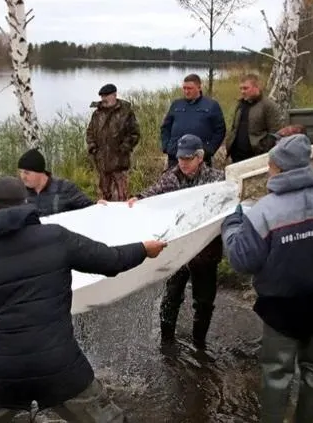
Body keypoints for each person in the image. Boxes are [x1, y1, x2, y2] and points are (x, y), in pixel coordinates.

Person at [0, 176, 168, 423]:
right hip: (61, 369)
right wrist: (144, 249)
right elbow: (111, 261)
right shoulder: (56, 238)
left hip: (0, 376)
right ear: (25, 202)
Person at [220, 133, 313, 423]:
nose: (268, 170)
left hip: (281, 307)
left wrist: (231, 224)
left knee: (277, 372)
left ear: (279, 169)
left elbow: (242, 260)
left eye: (271, 166)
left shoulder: (264, 211)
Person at [128, 134, 224, 349]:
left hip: (205, 249)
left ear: (200, 158)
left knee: (204, 300)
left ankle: (199, 342)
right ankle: (167, 340)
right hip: (177, 248)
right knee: (172, 295)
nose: (182, 163)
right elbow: (153, 193)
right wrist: (138, 199)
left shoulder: (217, 180)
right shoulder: (171, 177)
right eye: (180, 158)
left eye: (187, 159)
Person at [86, 83, 141, 202]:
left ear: (114, 95)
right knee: (103, 200)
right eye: (102, 96)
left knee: (121, 199)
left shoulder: (126, 112)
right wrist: (92, 147)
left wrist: (125, 147)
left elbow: (135, 133)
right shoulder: (97, 114)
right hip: (101, 164)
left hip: (119, 164)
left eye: (106, 95)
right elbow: (90, 132)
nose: (104, 99)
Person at [160, 73, 226, 168]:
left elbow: (220, 131)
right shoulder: (176, 105)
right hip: (175, 157)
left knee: (201, 183)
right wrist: (166, 146)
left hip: (199, 159)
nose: (186, 91)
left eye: (189, 88)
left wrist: (209, 150)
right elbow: (165, 127)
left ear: (199, 88)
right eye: (184, 88)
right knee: (172, 182)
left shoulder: (211, 105)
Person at [224, 73, 284, 164]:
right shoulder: (240, 105)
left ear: (257, 87)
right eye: (241, 88)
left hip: (256, 156)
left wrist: (263, 149)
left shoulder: (268, 106)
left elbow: (276, 132)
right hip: (236, 156)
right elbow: (234, 128)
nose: (242, 91)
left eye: (246, 88)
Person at [18, 148, 95, 215]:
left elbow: (89, 209)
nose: (23, 177)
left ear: (40, 172)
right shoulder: (19, 192)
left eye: (27, 173)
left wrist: (99, 207)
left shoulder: (65, 188)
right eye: (20, 172)